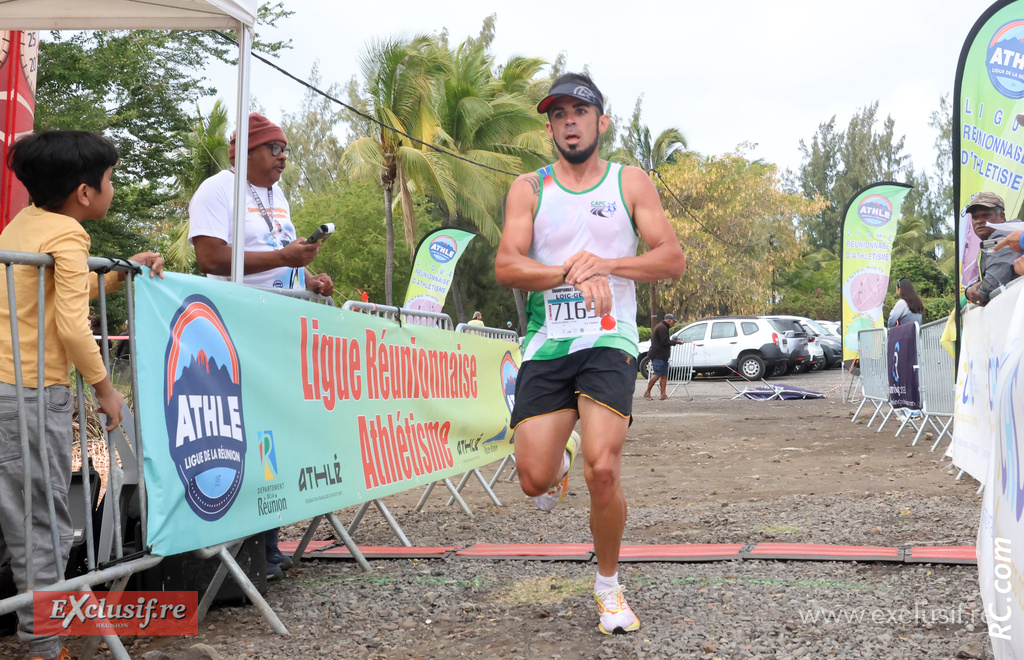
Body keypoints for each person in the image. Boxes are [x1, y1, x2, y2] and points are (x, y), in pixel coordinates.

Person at [495, 72, 686, 636]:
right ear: (549, 126)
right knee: (532, 479)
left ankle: (608, 588)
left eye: (580, 111)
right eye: (558, 114)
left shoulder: (629, 182)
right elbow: (507, 265)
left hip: (611, 337)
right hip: (548, 341)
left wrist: (606, 265)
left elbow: (671, 258)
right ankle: (556, 469)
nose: (569, 121)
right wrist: (569, 271)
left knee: (604, 466)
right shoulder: (529, 187)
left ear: (601, 122)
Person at [0, 130, 164, 660]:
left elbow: (55, 295)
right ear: (85, 192)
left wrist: (112, 276)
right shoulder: (68, 235)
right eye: (111, 179)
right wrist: (106, 391)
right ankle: (45, 646)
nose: (112, 187)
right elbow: (72, 325)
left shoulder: (22, 225)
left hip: (8, 389)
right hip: (28, 393)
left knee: (18, 517)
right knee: (40, 521)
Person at [189, 113, 333, 581]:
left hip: (278, 327)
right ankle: (245, 553)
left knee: (274, 435)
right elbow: (209, 257)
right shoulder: (216, 190)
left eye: (285, 149)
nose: (283, 157)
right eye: (274, 149)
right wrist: (282, 258)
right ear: (245, 152)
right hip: (237, 330)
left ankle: (268, 549)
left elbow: (279, 255)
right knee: (247, 436)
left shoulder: (275, 194)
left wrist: (308, 278)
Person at [963, 192, 1019, 306]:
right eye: (975, 217)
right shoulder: (989, 242)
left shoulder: (1004, 237)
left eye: (985, 215)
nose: (979, 221)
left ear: (1002, 217)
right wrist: (968, 291)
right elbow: (981, 282)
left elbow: (990, 286)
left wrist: (972, 293)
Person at [643, 314, 681, 400]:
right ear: (668, 320)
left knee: (664, 375)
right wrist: (676, 342)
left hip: (662, 355)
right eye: (673, 322)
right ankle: (647, 392)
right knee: (658, 374)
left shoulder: (662, 327)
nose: (673, 324)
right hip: (658, 355)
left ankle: (663, 394)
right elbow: (664, 342)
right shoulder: (662, 328)